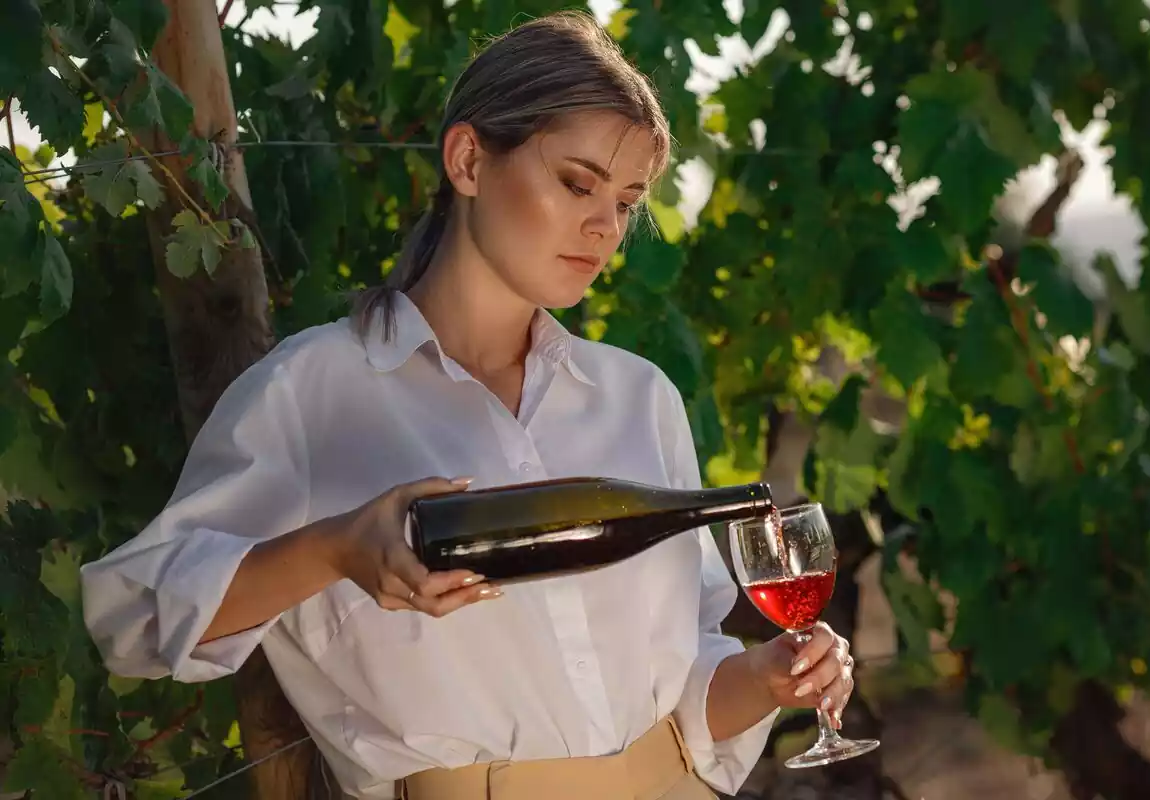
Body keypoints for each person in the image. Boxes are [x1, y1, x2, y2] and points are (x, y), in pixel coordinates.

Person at [80, 11, 857, 800]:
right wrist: (335, 549)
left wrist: (765, 679)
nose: (604, 226)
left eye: (626, 202)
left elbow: (685, 691)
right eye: (577, 182)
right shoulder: (314, 394)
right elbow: (133, 621)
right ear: (468, 160)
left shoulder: (638, 397)